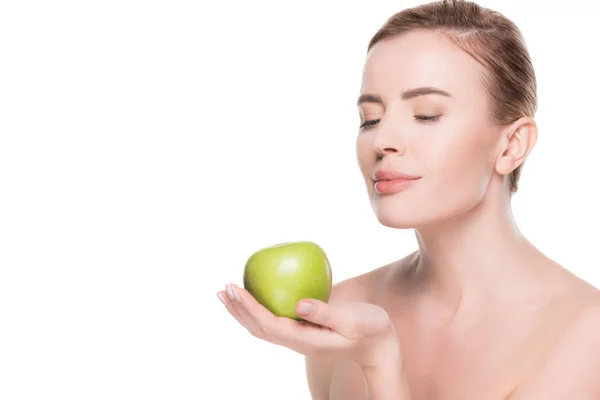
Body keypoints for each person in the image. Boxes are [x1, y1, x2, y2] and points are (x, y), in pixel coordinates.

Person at [216, 0, 600, 398]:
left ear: (511, 145)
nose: (382, 141)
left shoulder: (585, 333)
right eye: (370, 118)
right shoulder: (342, 308)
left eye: (427, 114)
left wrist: (379, 360)